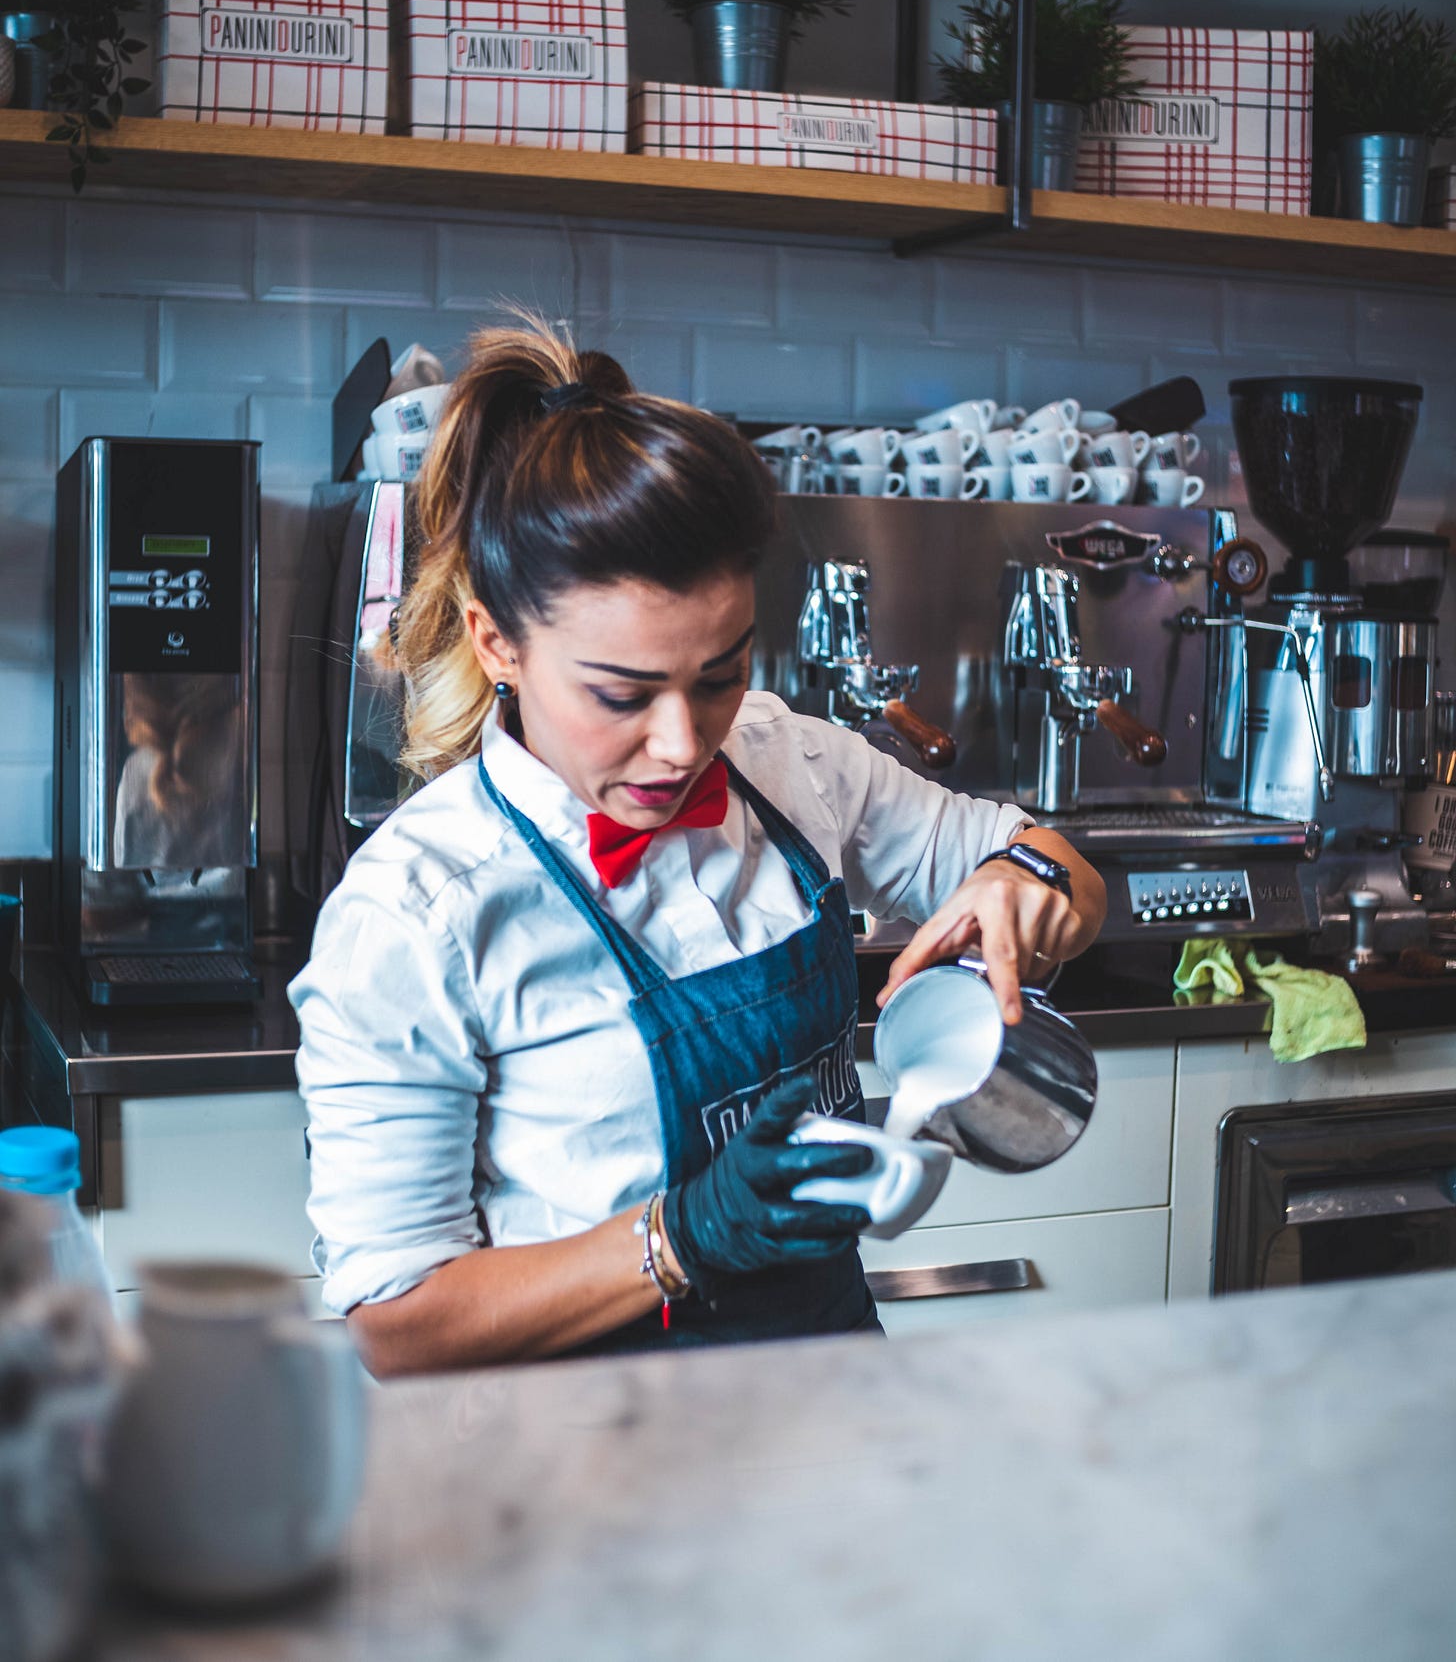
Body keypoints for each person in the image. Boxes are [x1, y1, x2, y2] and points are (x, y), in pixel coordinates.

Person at [290, 320, 1106, 1376]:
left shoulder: (788, 761)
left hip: (823, 1411)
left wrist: (1026, 880)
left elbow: (1051, 859)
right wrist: (676, 1239)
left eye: (717, 672)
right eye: (621, 694)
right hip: (575, 1470)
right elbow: (398, 1323)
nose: (681, 744)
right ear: (497, 640)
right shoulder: (416, 914)